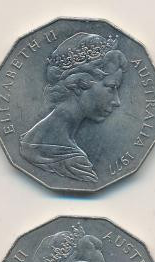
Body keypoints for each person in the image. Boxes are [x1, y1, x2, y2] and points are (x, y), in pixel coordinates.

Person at [20, 33, 127, 183]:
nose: (117, 101)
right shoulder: (74, 162)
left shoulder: (31, 139)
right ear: (79, 84)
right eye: (111, 87)